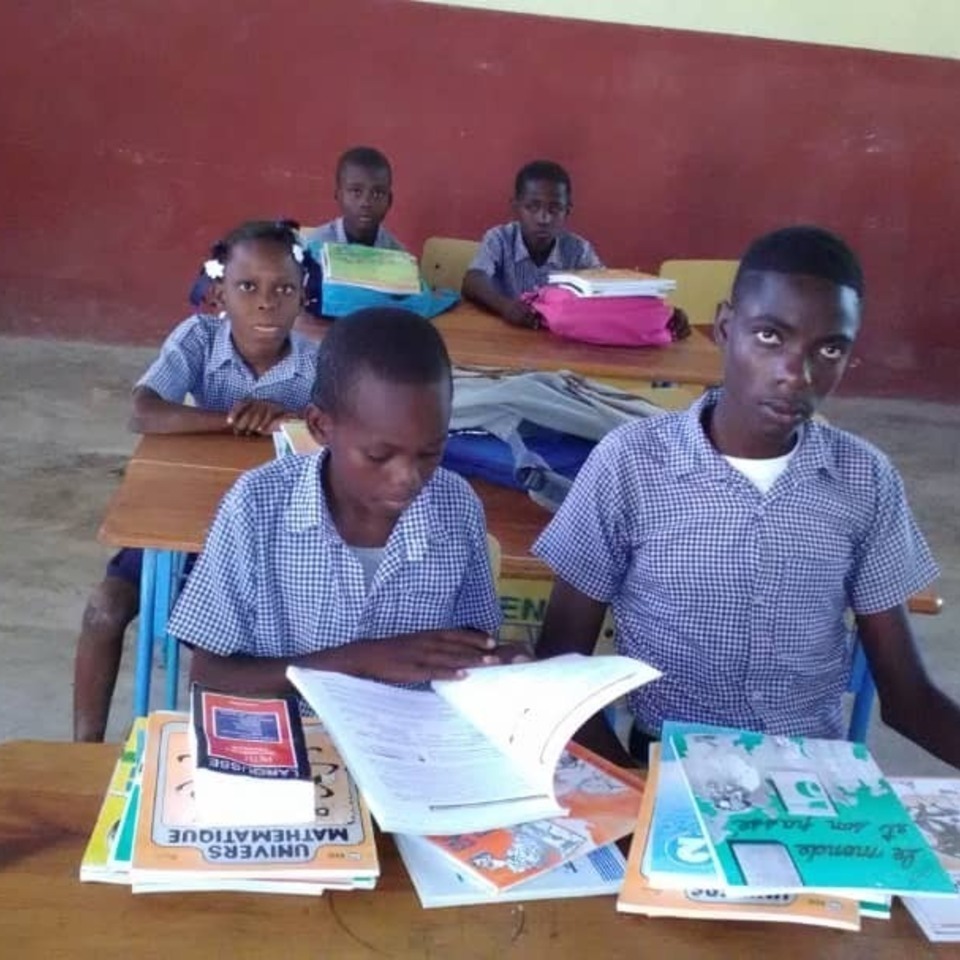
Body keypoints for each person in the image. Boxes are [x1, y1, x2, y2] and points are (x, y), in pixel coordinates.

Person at [533, 225, 960, 770]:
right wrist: (632, 797)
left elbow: (908, 699)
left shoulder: (864, 479)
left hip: (814, 776)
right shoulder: (631, 465)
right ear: (727, 328)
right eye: (770, 337)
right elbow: (558, 666)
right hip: (667, 765)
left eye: (829, 349)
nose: (795, 374)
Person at [168, 308, 507, 698]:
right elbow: (210, 675)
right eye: (379, 456)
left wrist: (496, 663)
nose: (408, 477)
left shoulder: (456, 507)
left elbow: (470, 644)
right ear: (320, 427)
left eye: (430, 453)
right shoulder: (255, 508)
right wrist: (356, 661)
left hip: (412, 745)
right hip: (284, 740)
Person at [73, 220, 318, 742]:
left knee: (226, 646)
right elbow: (143, 411)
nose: (265, 304)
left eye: (284, 290)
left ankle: (216, 749)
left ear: (304, 296)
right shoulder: (198, 338)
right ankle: (84, 752)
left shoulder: (316, 365)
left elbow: (334, 434)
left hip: (263, 535)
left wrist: (286, 419)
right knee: (105, 607)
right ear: (218, 294)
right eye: (247, 287)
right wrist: (234, 417)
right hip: (180, 512)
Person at [462, 160, 602, 329]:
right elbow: (473, 281)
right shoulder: (499, 239)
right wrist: (505, 306)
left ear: (567, 211)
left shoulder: (579, 251)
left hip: (560, 340)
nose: (544, 218)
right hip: (505, 336)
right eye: (532, 207)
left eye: (555, 208)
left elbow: (602, 290)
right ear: (516, 207)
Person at [303, 146, 407, 256]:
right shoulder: (313, 248)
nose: (366, 203)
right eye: (356, 192)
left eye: (377, 193)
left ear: (389, 200)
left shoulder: (397, 256)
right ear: (338, 195)